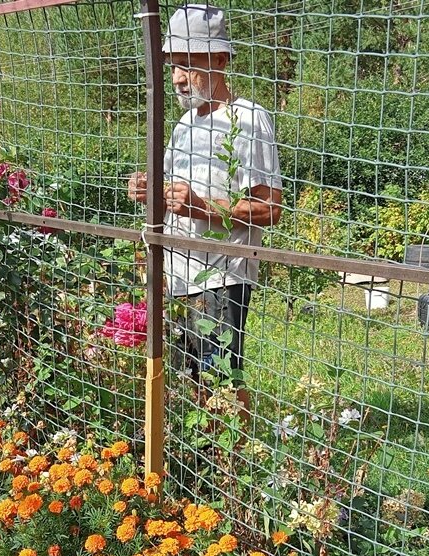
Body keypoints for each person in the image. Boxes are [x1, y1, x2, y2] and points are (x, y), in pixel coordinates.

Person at [128, 3, 282, 420]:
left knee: (224, 380)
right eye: (173, 66)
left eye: (186, 64)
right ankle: (209, 469)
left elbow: (271, 209)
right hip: (179, 275)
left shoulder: (248, 119)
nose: (176, 77)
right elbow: (171, 197)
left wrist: (201, 206)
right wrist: (149, 190)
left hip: (223, 275)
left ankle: (235, 468)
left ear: (218, 59)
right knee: (194, 379)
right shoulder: (182, 126)